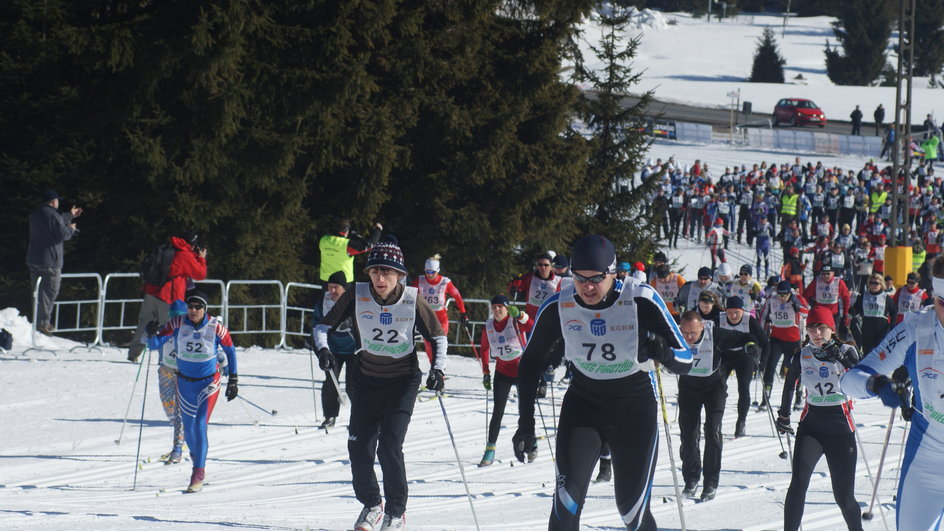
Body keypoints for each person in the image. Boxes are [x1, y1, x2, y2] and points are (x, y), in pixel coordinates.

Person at [512, 235, 690, 530]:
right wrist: (525, 423)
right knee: (565, 503)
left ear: (613, 273)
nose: (588, 287)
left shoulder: (640, 299)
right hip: (584, 406)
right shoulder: (559, 304)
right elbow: (530, 363)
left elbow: (685, 360)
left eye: (596, 278)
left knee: (632, 512)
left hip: (633, 410)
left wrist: (662, 351)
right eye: (580, 278)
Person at [313, 236, 447, 530]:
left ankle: (396, 512)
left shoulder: (412, 298)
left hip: (402, 382)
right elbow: (322, 326)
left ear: (399, 275)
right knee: (359, 448)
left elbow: (437, 336)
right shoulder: (355, 294)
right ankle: (372, 505)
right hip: (365, 381)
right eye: (375, 271)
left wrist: (438, 368)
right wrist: (323, 349)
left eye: (387, 272)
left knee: (389, 445)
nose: (380, 278)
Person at [840, 259, 944, 531]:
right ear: (934, 298)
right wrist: (877, 385)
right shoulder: (916, 329)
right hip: (928, 463)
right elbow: (849, 380)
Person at [776, 307, 863, 531]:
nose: (816, 333)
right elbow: (789, 385)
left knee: (844, 497)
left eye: (821, 328)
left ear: (831, 330)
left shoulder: (847, 350)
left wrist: (842, 359)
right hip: (811, 428)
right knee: (798, 485)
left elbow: (862, 378)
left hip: (841, 430)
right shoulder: (802, 354)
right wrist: (784, 415)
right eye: (812, 328)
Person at [146, 289, 238, 493]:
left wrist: (233, 378)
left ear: (205, 308)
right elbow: (154, 345)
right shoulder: (177, 323)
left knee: (199, 424)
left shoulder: (216, 327)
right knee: (188, 430)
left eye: (198, 306)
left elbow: (231, 350)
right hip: (185, 383)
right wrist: (150, 332)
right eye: (190, 306)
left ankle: (198, 473)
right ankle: (198, 457)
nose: (193, 310)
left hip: (209, 383)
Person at [677, 311, 756, 501]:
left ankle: (711, 481)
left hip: (714, 389)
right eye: (685, 333)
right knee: (688, 435)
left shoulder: (715, 335)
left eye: (693, 333)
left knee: (712, 431)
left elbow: (745, 337)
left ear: (702, 327)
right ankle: (691, 478)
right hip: (688, 389)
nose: (689, 337)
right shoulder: (675, 335)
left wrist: (751, 345)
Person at [128, 231, 208, 363]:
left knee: (144, 323)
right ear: (192, 244)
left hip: (151, 290)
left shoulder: (169, 247)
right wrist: (201, 258)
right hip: (168, 295)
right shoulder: (185, 255)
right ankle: (164, 359)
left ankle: (133, 353)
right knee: (167, 328)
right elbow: (200, 274)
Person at [478, 295, 533, 467]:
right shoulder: (488, 326)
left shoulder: (515, 321)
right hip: (502, 372)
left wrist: (521, 315)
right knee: (497, 411)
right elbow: (484, 349)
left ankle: (531, 444)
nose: (496, 310)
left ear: (507, 308)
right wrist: (486, 372)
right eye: (494, 307)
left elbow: (532, 326)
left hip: (522, 371)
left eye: (500, 307)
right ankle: (490, 449)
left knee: (525, 411)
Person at [26, 190, 82, 336]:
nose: (58, 202)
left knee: (37, 292)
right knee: (50, 292)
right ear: (52, 201)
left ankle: (39, 321)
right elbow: (62, 233)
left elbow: (56, 220)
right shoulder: (52, 215)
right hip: (50, 260)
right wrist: (71, 229)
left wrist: (70, 215)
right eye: (57, 200)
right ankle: (42, 323)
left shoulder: (37, 214)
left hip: (34, 258)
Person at [311, 271, 355, 429]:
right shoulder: (324, 300)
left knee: (354, 385)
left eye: (336, 287)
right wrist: (320, 350)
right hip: (333, 349)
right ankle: (330, 416)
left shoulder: (354, 299)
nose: (333, 291)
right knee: (331, 382)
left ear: (344, 288)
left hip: (354, 350)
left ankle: (359, 418)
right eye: (330, 287)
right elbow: (317, 325)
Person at [718, 296, 767, 438]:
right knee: (718, 388)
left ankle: (741, 422)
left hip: (744, 358)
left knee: (744, 389)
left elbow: (765, 342)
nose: (733, 316)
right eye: (730, 312)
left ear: (742, 311)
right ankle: (716, 421)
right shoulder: (719, 319)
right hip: (725, 357)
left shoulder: (749, 320)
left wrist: (762, 361)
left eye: (736, 313)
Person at [758, 281, 810, 411]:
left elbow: (807, 311)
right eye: (780, 295)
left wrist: (797, 305)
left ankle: (798, 397)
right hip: (776, 339)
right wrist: (760, 333)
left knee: (795, 370)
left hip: (793, 341)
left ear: (789, 294)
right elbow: (763, 316)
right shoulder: (771, 299)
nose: (781, 299)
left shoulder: (796, 298)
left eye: (784, 296)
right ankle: (765, 399)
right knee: (770, 368)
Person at [411, 254, 467, 363]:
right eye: (427, 271)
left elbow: (457, 296)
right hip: (425, 317)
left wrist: (463, 313)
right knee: (428, 344)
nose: (429, 274)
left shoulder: (445, 282)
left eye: (432, 272)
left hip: (441, 318)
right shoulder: (420, 281)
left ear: (438, 271)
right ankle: (434, 365)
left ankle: (439, 367)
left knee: (439, 343)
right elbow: (410, 294)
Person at [154, 300, 188, 464]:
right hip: (166, 372)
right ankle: (183, 434)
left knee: (179, 413)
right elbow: (148, 344)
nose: (177, 321)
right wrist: (150, 331)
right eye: (174, 317)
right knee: (169, 410)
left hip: (184, 375)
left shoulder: (190, 331)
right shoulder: (164, 330)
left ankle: (178, 447)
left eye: (180, 317)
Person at [318, 217, 382, 284]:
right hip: (343, 282)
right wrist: (378, 230)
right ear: (346, 231)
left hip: (326, 281)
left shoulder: (323, 240)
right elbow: (369, 245)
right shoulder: (347, 245)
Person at [848, 272, 896, 355]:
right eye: (871, 283)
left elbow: (893, 311)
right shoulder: (863, 296)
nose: (873, 285)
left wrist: (892, 326)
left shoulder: (885, 297)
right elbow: (857, 309)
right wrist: (852, 311)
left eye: (876, 283)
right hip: (867, 329)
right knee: (867, 352)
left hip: (881, 330)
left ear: (881, 284)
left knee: (880, 352)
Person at [508, 253, 563, 320]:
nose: (543, 267)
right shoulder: (530, 278)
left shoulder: (558, 281)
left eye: (546, 265)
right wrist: (514, 286)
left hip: (550, 318)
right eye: (540, 265)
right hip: (532, 317)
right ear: (537, 267)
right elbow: (515, 288)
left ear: (551, 267)